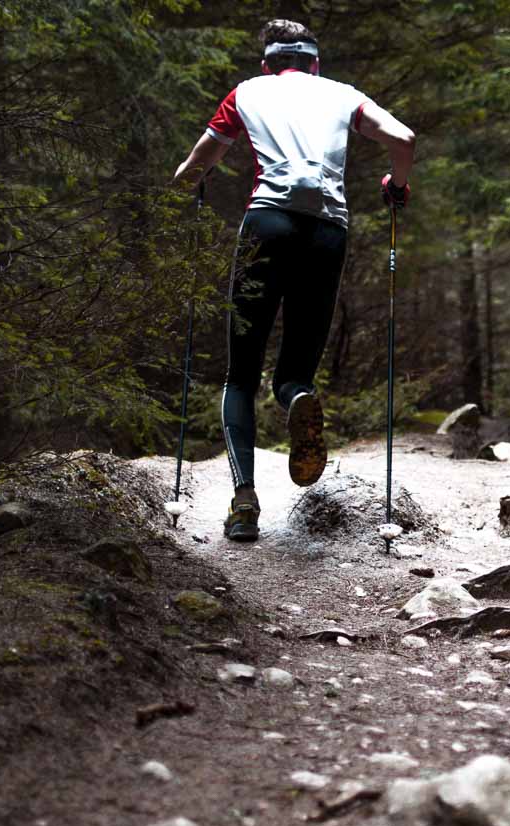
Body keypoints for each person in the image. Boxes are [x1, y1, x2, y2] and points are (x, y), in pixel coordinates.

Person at [174, 19, 416, 542]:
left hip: (267, 225)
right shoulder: (342, 95)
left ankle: (243, 503)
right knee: (294, 373)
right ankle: (296, 399)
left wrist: (189, 180)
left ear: (267, 64)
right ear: (315, 64)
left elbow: (199, 162)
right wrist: (396, 185)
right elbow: (403, 138)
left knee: (240, 374)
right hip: (328, 231)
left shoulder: (246, 93)